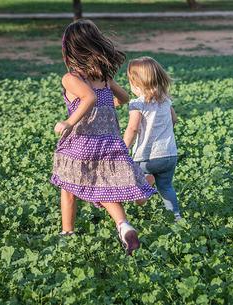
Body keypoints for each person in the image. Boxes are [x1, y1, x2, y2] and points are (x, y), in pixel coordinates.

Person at [50, 20, 156, 255]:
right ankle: (124, 225)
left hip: (81, 142)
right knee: (104, 188)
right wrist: (114, 101)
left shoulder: (71, 78)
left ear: (70, 50)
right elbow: (125, 97)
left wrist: (68, 122)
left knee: (67, 187)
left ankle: (67, 233)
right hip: (109, 141)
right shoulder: (105, 78)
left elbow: (88, 97)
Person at [123, 56, 182, 221]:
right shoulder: (165, 101)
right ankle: (176, 216)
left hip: (146, 157)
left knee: (136, 188)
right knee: (166, 187)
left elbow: (133, 128)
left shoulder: (137, 104)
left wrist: (123, 147)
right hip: (169, 154)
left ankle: (143, 193)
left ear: (136, 84)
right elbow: (174, 120)